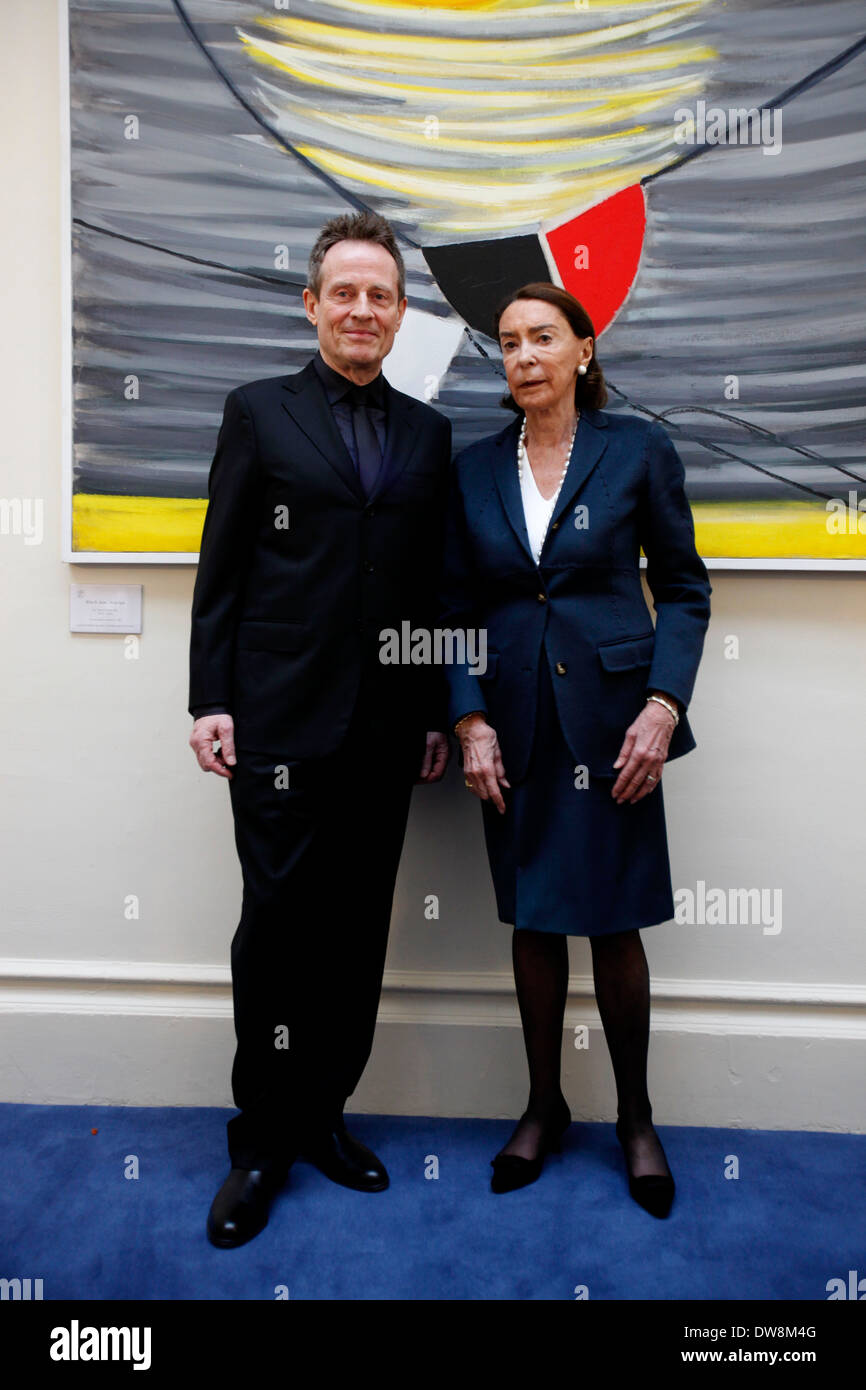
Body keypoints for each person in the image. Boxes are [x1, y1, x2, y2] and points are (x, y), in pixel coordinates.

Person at [188, 210, 452, 1248]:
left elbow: (430, 585)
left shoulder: (428, 435)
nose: (360, 308)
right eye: (343, 291)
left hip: (386, 731)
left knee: (354, 937)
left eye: (378, 294)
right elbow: (222, 570)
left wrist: (434, 708)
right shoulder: (257, 413)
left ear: (396, 316)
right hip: (279, 726)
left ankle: (324, 1116)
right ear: (312, 304)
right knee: (276, 934)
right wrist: (210, 699)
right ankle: (260, 1141)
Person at [439, 282, 711, 1217]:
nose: (522, 356)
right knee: (534, 919)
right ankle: (544, 1108)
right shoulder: (471, 468)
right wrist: (468, 719)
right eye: (508, 342)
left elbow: (682, 589)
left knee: (616, 922)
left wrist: (664, 705)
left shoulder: (637, 450)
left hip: (616, 724)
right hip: (511, 725)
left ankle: (636, 1118)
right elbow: (453, 611)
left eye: (542, 338)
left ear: (583, 351)